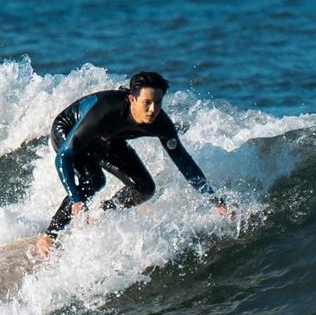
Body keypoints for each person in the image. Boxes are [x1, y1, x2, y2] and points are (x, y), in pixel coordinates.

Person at [33, 71, 229, 256]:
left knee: (144, 188)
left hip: (107, 137)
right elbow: (63, 157)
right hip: (68, 129)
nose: (153, 110)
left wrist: (214, 200)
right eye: (147, 103)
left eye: (158, 103)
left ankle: (100, 216)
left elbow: (184, 163)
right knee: (94, 181)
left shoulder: (161, 123)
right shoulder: (103, 113)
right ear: (132, 99)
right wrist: (76, 198)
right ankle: (49, 236)